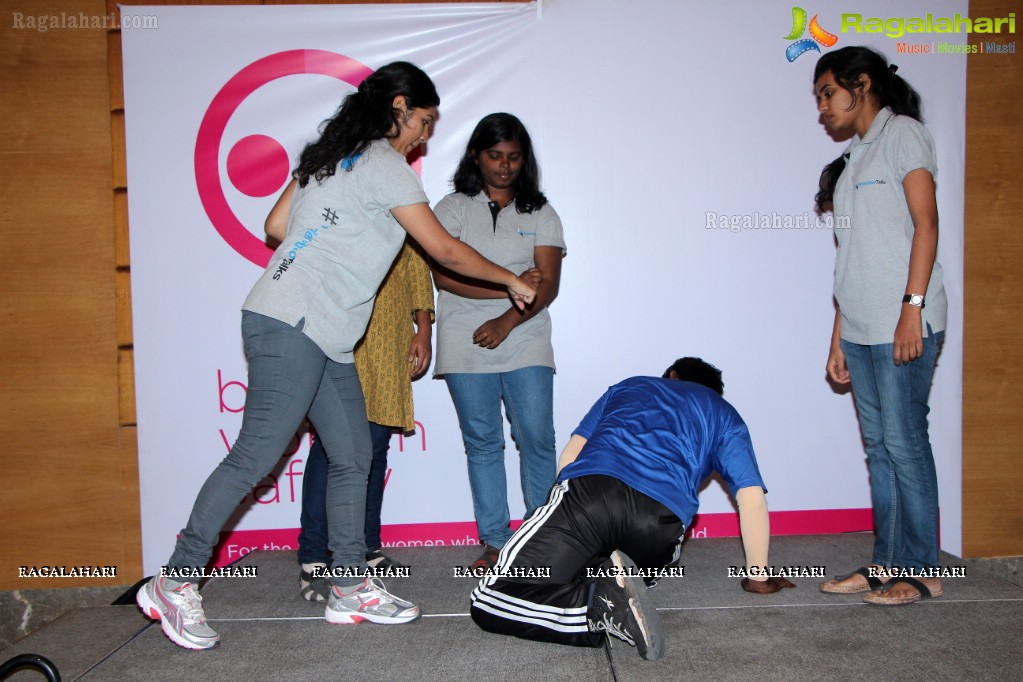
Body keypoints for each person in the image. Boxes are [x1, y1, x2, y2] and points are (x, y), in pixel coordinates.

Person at [135, 62, 536, 651]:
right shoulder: (382, 164)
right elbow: (445, 249)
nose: (425, 135)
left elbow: (275, 224)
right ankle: (175, 580)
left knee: (351, 456)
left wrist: (329, 239)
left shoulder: (329, 155)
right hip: (292, 323)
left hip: (323, 333)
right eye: (424, 121)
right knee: (255, 456)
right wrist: (510, 281)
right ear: (400, 106)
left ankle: (349, 586)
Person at [468, 358, 794, 661]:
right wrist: (758, 578)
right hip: (658, 528)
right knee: (597, 570)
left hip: (592, 497)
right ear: (713, 392)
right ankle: (611, 589)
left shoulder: (632, 385)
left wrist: (557, 519)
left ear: (672, 376)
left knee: (490, 600)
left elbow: (571, 455)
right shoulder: (725, 413)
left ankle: (596, 607)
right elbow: (751, 498)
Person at [811, 47, 947, 606]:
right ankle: (885, 563)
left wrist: (911, 307)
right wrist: (839, 334)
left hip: (904, 322)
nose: (821, 108)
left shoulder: (904, 135)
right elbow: (851, 256)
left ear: (861, 84)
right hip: (862, 328)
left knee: (905, 443)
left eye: (827, 94)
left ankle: (922, 571)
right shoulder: (852, 163)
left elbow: (927, 223)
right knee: (880, 448)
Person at [265, 183, 434, 601]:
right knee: (333, 450)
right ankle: (314, 555)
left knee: (375, 449)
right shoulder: (337, 203)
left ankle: (365, 547)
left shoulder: (401, 199)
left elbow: (416, 264)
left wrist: (424, 329)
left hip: (389, 343)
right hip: (341, 339)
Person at [431, 113, 565, 570]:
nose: (504, 166)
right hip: (463, 340)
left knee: (537, 438)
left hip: (525, 337)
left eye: (513, 157)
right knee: (484, 443)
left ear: (524, 160)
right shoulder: (450, 209)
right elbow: (444, 276)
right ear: (476, 155)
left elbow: (547, 285)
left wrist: (509, 317)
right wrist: (512, 284)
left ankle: (539, 536)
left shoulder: (541, 212)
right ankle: (495, 541)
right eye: (494, 156)